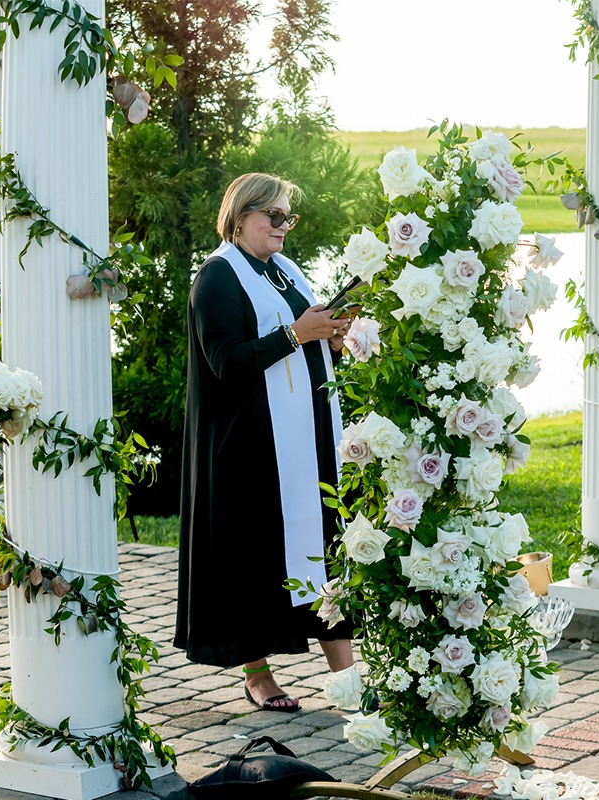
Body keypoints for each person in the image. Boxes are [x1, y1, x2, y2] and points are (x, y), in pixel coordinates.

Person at [175, 173, 355, 712]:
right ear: (239, 216)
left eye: (286, 218)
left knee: (326, 547)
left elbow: (300, 343)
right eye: (272, 216)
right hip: (247, 447)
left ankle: (347, 677)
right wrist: (299, 334)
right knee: (253, 559)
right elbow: (226, 362)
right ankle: (257, 674)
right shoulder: (217, 278)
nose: (282, 227)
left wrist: (332, 337)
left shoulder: (285, 272)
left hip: (306, 436)